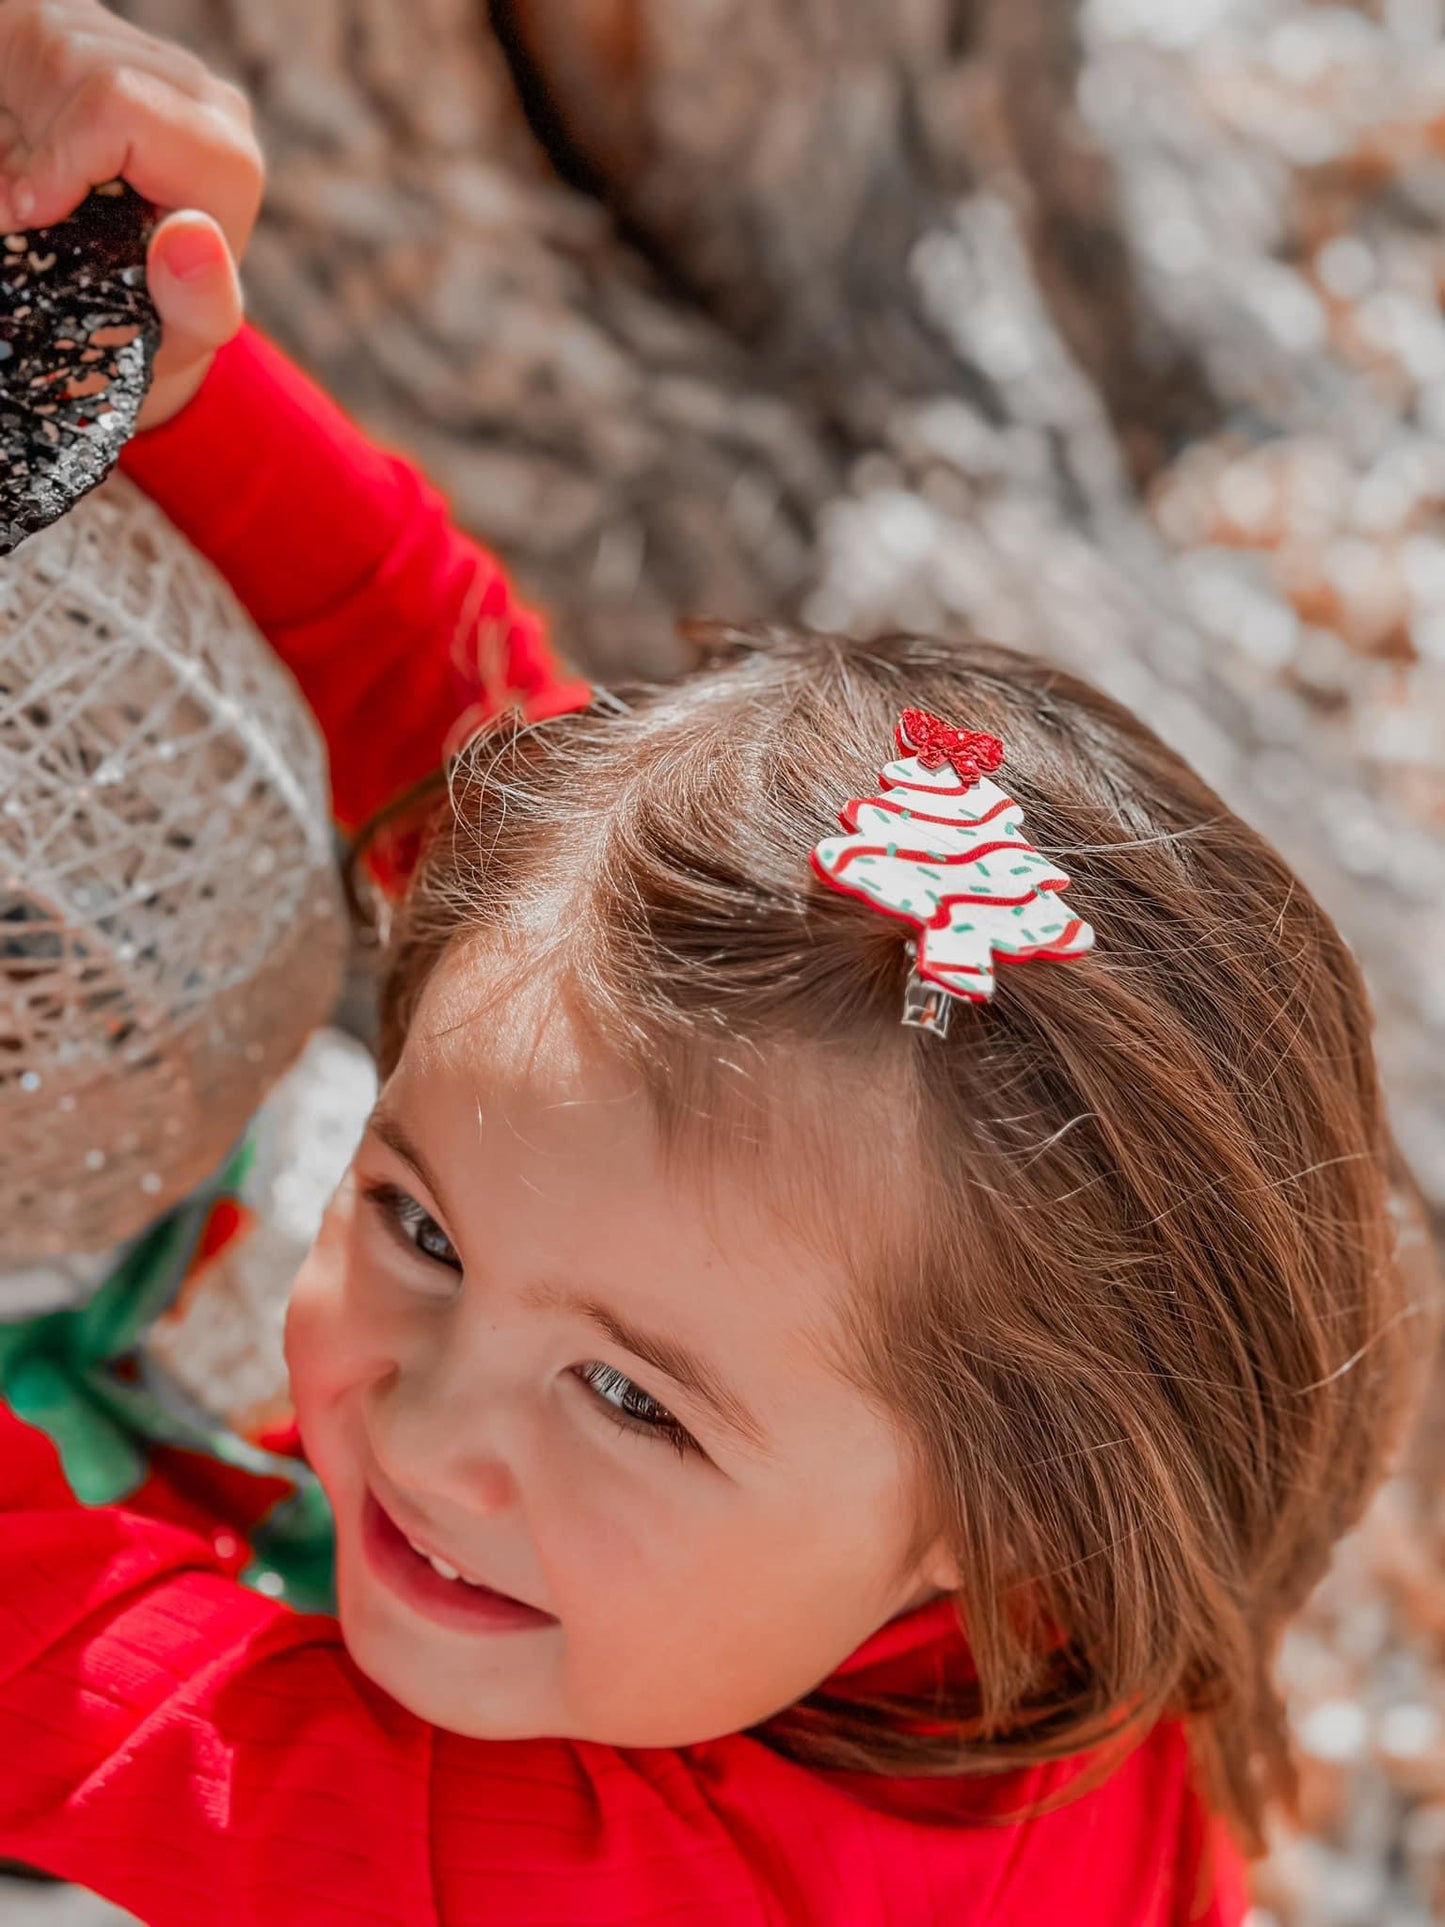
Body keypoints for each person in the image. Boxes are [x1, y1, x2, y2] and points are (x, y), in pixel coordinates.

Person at [0, 6, 1422, 1923]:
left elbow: (82, 1689)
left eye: (634, 1403)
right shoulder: (967, 1509)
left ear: (1013, 1552)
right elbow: (451, 710)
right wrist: (151, 358)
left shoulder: (677, 1890)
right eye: (420, 1228)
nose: (427, 1432)